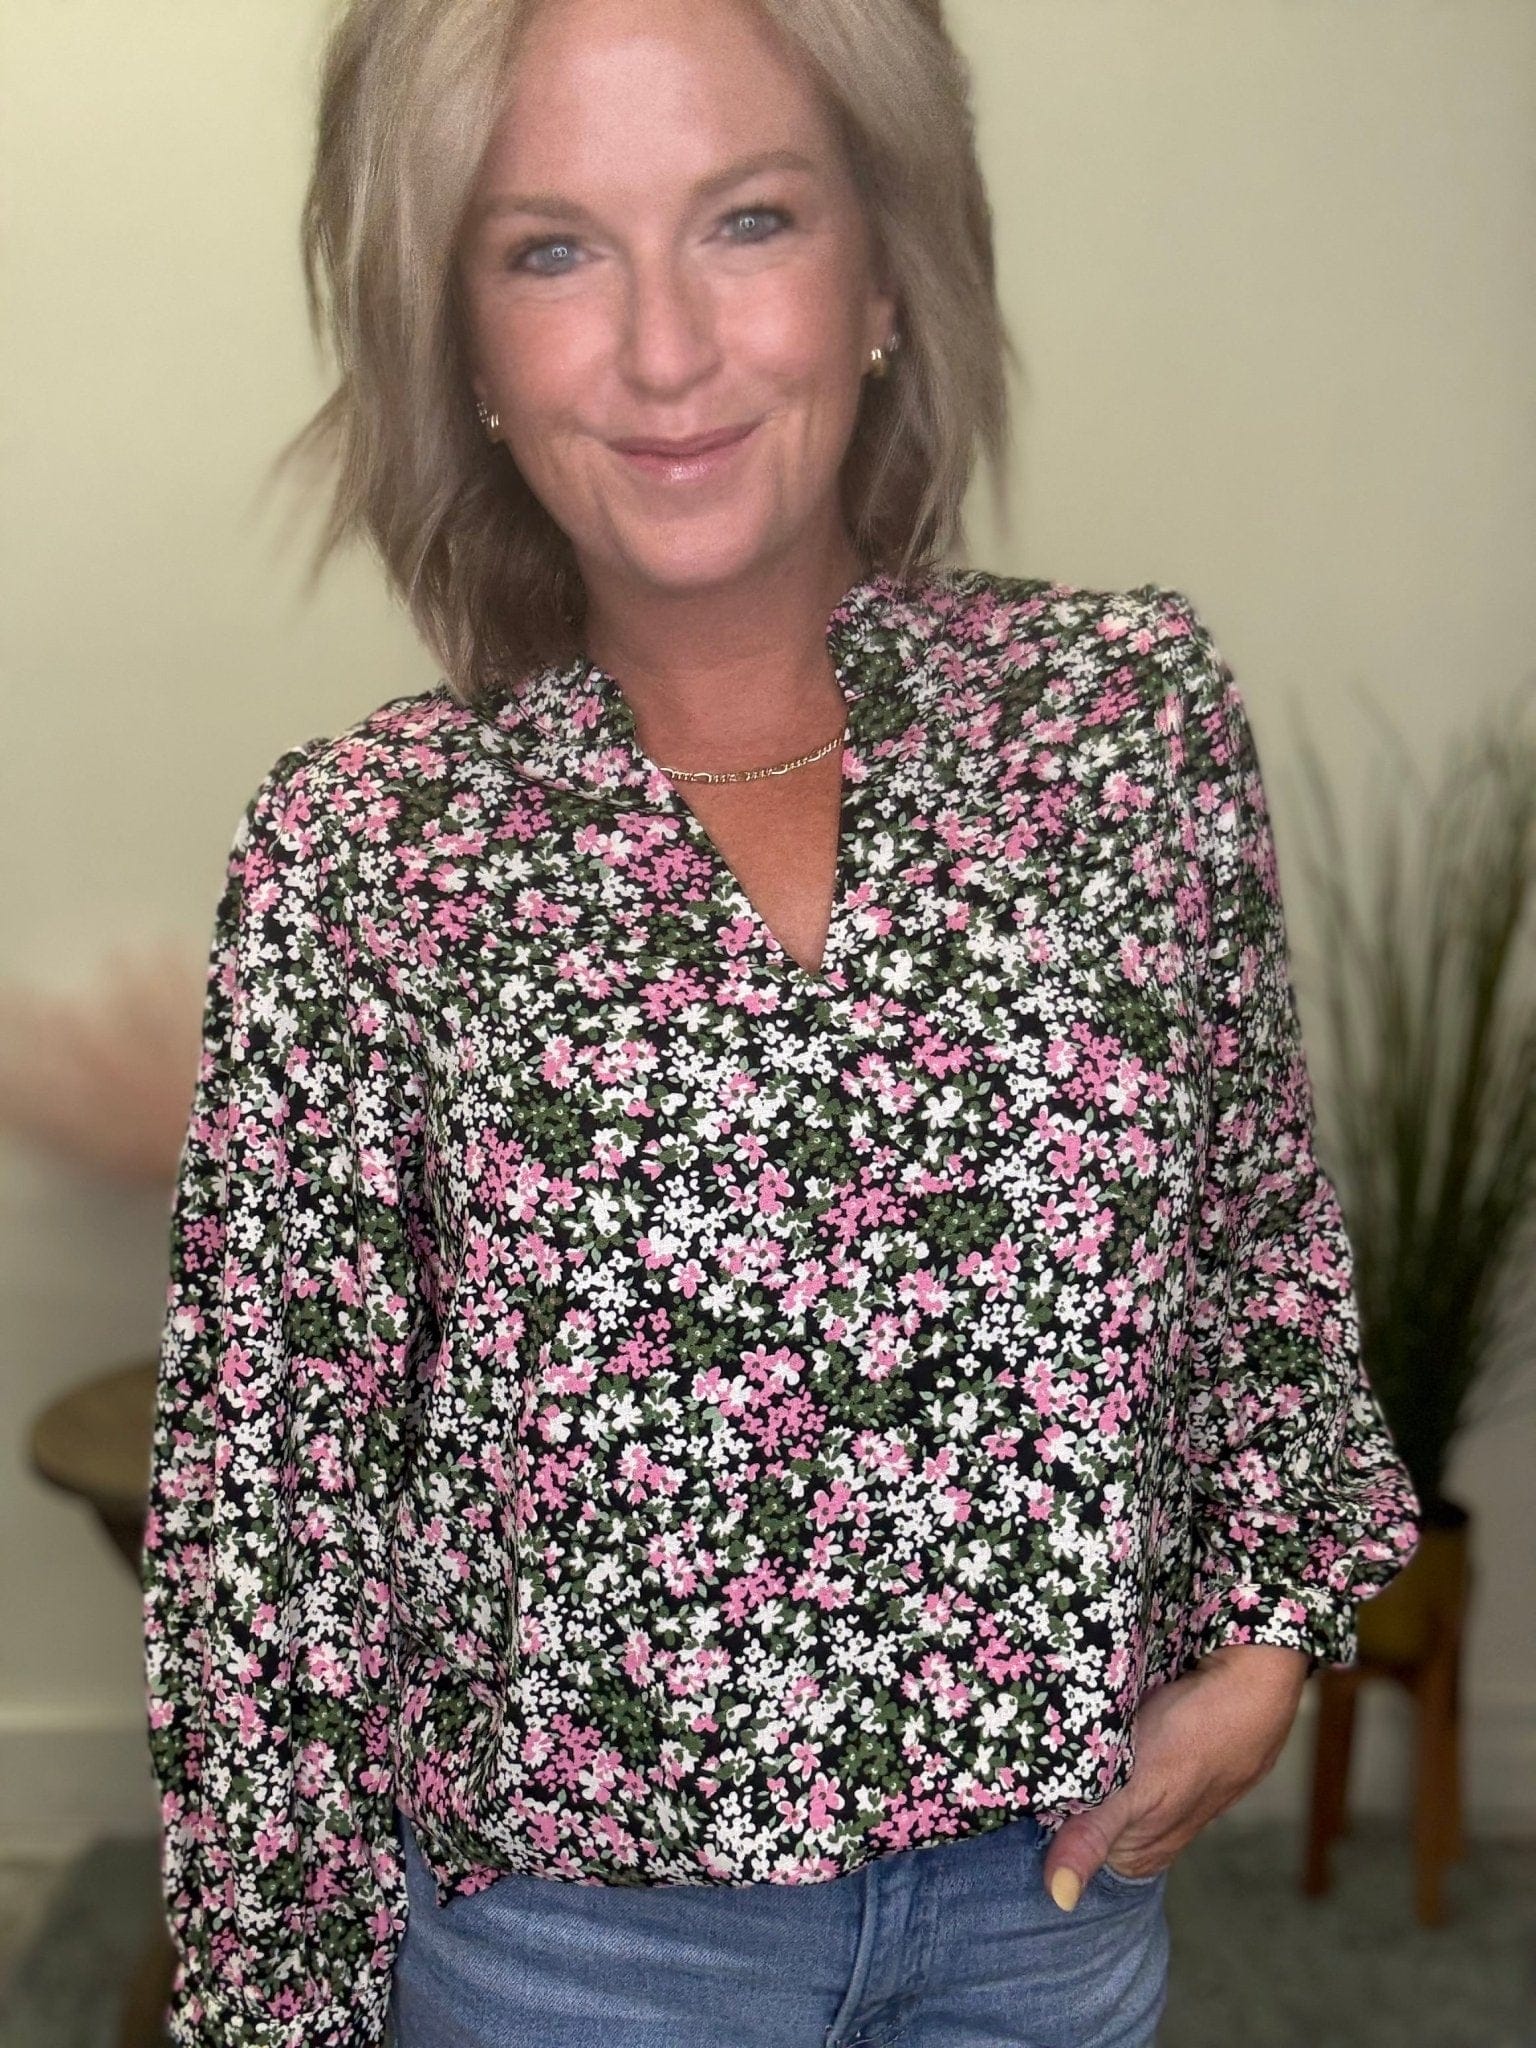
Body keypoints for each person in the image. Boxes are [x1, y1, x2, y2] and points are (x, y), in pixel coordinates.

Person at [138, 0, 1422, 2043]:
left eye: (747, 220)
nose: (664, 350)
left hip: (1045, 1914)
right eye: (552, 249)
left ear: (888, 271)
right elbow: (270, 1536)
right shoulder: (366, 849)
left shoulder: (1125, 725)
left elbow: (1256, 1241)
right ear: (461, 348)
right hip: (573, 1959)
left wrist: (1264, 1642)